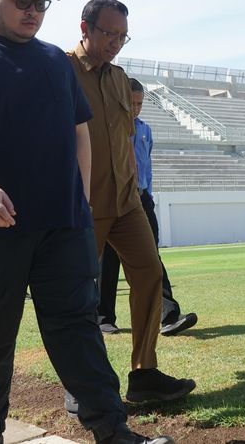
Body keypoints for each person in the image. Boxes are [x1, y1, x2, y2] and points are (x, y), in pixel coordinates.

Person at [0, 0, 173, 444]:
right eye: (22, 1)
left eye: (41, 3)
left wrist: (80, 197)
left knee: (78, 328)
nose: (33, 11)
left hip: (63, 222)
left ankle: (112, 430)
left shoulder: (54, 62)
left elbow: (80, 132)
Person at [68, 0, 195, 403]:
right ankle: (80, 383)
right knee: (78, 293)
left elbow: (123, 139)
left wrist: (136, 190)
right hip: (83, 204)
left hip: (127, 201)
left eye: (123, 36)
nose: (116, 43)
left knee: (149, 276)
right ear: (84, 27)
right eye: (109, 33)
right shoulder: (60, 69)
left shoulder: (122, 79)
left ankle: (144, 373)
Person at [97, 79, 197, 336]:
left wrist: (147, 196)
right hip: (111, 197)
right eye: (131, 103)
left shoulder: (145, 131)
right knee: (107, 261)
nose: (135, 108)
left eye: (139, 103)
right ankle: (102, 317)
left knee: (151, 256)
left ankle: (168, 315)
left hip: (139, 199)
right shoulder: (107, 128)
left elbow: (147, 167)